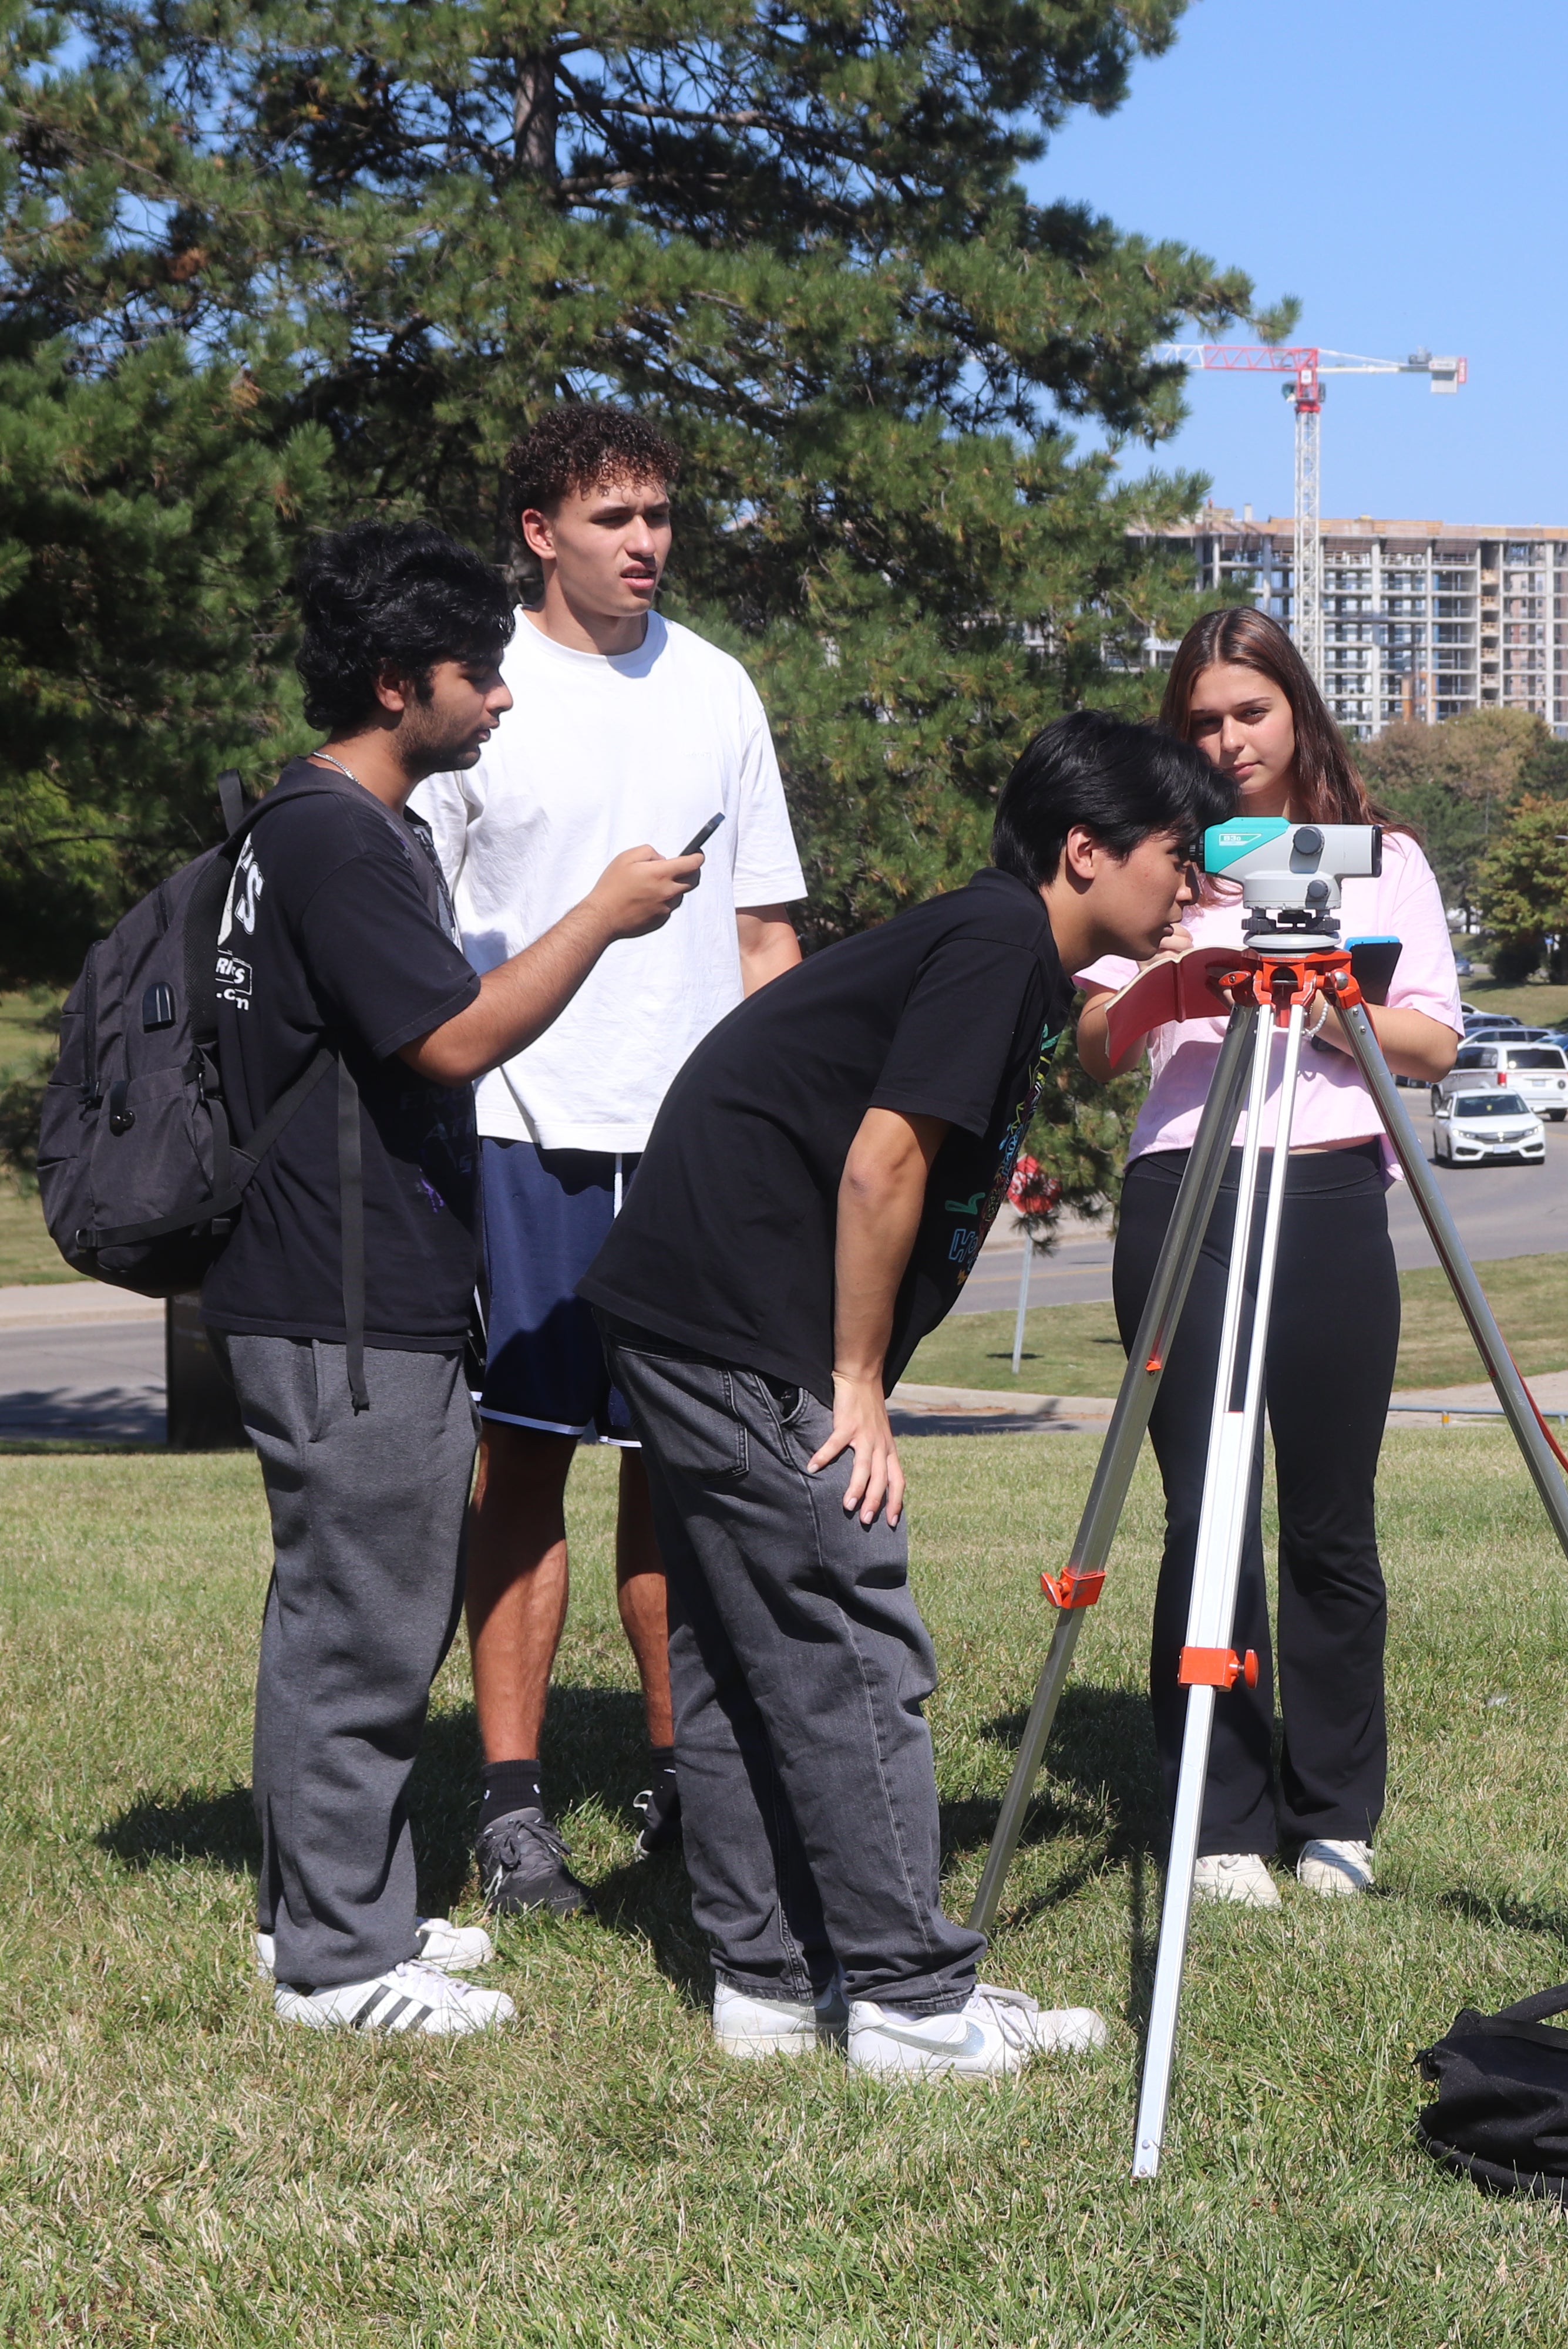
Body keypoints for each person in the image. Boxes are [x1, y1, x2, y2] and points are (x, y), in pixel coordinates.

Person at [579, 710, 1227, 2077]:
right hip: (743, 1316)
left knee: (742, 1641)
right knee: (849, 1628)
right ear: (1085, 847)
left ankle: (766, 1976)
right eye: (1179, 853)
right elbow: (884, 1164)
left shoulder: (1001, 950)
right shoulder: (996, 944)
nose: (1193, 883)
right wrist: (854, 1383)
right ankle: (908, 1996)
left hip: (685, 1294)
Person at [211, 523, 703, 2035]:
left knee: (347, 1608)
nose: (499, 701)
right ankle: (340, 1966)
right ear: (392, 684)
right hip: (340, 1295)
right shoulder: (336, 839)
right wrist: (602, 920)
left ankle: (332, 1904)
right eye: (474, 677)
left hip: (352, 1285)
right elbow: (455, 1039)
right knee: (362, 1619)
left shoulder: (329, 827)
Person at [411, 402, 812, 1918]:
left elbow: (765, 931)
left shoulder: (719, 685)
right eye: (614, 519)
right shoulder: (481, 693)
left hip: (700, 1145)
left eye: (659, 516)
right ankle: (514, 1810)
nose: (647, 544)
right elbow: (420, 937)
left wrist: (791, 1129)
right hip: (523, 1129)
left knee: (685, 1465)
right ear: (541, 533)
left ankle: (682, 1780)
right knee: (524, 1465)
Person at [1074, 609, 1463, 1911]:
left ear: (1296, 710)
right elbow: (1093, 1045)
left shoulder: (1386, 859)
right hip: (1185, 1179)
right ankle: (1219, 1805)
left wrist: (1323, 991)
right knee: (1208, 1514)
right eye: (1203, 720)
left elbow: (1434, 1042)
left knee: (1332, 1517)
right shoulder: (1161, 865)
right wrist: (1181, 980)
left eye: (1251, 711)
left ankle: (1337, 1806)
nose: (1230, 740)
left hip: (1334, 1182)